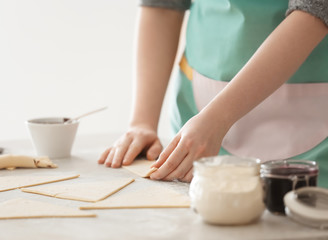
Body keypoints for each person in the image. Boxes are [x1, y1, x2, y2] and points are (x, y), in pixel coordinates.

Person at [98, 0, 328, 187]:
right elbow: (163, 6)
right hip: (198, 114)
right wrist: (143, 123)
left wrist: (218, 118)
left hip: (309, 124)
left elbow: (314, 11)